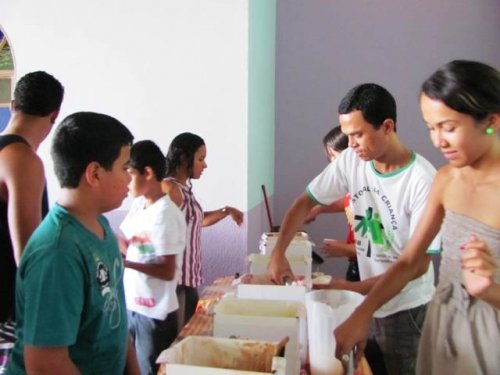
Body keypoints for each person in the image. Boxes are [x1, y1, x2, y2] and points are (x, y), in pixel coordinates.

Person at [334, 60, 500, 375]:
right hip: (444, 324)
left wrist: (488, 290)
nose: (438, 141)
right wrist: (364, 313)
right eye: (431, 128)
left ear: (491, 121)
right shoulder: (446, 180)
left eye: (449, 127)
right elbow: (409, 261)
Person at [267, 83, 441, 374]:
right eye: (347, 136)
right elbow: (304, 202)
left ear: (387, 126)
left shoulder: (421, 180)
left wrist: (353, 292)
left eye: (358, 134)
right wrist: (278, 252)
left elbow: (415, 265)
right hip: (368, 301)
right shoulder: (352, 160)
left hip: (407, 309)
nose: (351, 145)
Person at [6, 112, 140, 375]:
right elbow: (46, 364)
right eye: (125, 168)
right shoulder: (58, 252)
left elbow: (116, 322)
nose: (129, 178)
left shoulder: (100, 226)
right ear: (94, 173)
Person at [0, 71, 64, 326]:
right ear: (55, 115)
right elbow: (28, 253)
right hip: (8, 310)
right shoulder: (23, 160)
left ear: (14, 105)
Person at [162, 132, 244, 329]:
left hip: (189, 276)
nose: (204, 165)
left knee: (189, 329)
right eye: (200, 159)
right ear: (183, 158)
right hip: (176, 280)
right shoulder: (169, 188)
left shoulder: (184, 189)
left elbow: (197, 221)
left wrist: (226, 211)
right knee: (177, 335)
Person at [120, 140, 186, 375]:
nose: (126, 180)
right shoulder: (139, 206)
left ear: (147, 173)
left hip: (155, 313)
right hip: (133, 305)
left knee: (148, 369)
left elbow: (167, 271)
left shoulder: (166, 215)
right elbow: (131, 243)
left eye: (129, 172)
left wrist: (126, 263)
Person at [305, 125, 359, 281]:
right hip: (356, 265)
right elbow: (348, 202)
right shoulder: (353, 187)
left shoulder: (370, 191)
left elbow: (382, 249)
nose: (332, 163)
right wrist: (318, 209)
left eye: (334, 156)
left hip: (369, 269)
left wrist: (345, 249)